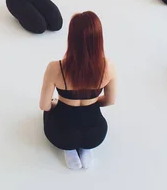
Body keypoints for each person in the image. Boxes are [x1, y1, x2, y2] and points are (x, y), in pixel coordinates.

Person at [39, 11, 117, 169]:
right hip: (96, 134)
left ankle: (69, 150)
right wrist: (92, 102)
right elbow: (110, 101)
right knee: (87, 129)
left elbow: (44, 106)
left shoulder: (55, 68)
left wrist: (55, 104)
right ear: (98, 39)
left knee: (52, 110)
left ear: (71, 38)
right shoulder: (108, 67)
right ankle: (86, 149)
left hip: (61, 134)